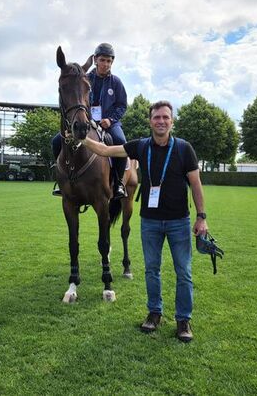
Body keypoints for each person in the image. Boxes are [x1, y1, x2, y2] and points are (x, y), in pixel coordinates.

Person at [81, 100, 208, 343]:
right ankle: (154, 313)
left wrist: (201, 217)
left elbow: (195, 184)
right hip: (150, 221)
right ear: (150, 121)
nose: (161, 121)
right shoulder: (140, 147)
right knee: (152, 270)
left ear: (172, 121)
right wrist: (81, 138)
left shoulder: (184, 149)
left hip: (179, 221)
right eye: (156, 117)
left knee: (184, 272)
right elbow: (107, 151)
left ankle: (183, 319)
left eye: (165, 117)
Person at [52, 42, 128, 199]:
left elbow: (122, 105)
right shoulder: (85, 78)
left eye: (109, 61)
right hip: (88, 121)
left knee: (120, 141)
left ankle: (119, 183)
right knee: (56, 141)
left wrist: (111, 119)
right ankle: (61, 180)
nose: (105, 64)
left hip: (109, 124)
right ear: (95, 60)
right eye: (102, 60)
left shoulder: (116, 82)